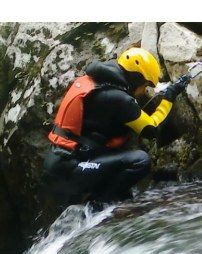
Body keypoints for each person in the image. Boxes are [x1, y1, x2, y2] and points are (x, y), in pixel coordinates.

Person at [42, 47, 189, 206]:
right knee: (140, 161)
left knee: (122, 169)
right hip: (71, 168)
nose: (143, 91)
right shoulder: (119, 99)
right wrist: (169, 98)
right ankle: (99, 205)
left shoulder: (97, 81)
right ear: (136, 78)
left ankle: (103, 203)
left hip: (60, 162)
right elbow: (151, 130)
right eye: (145, 85)